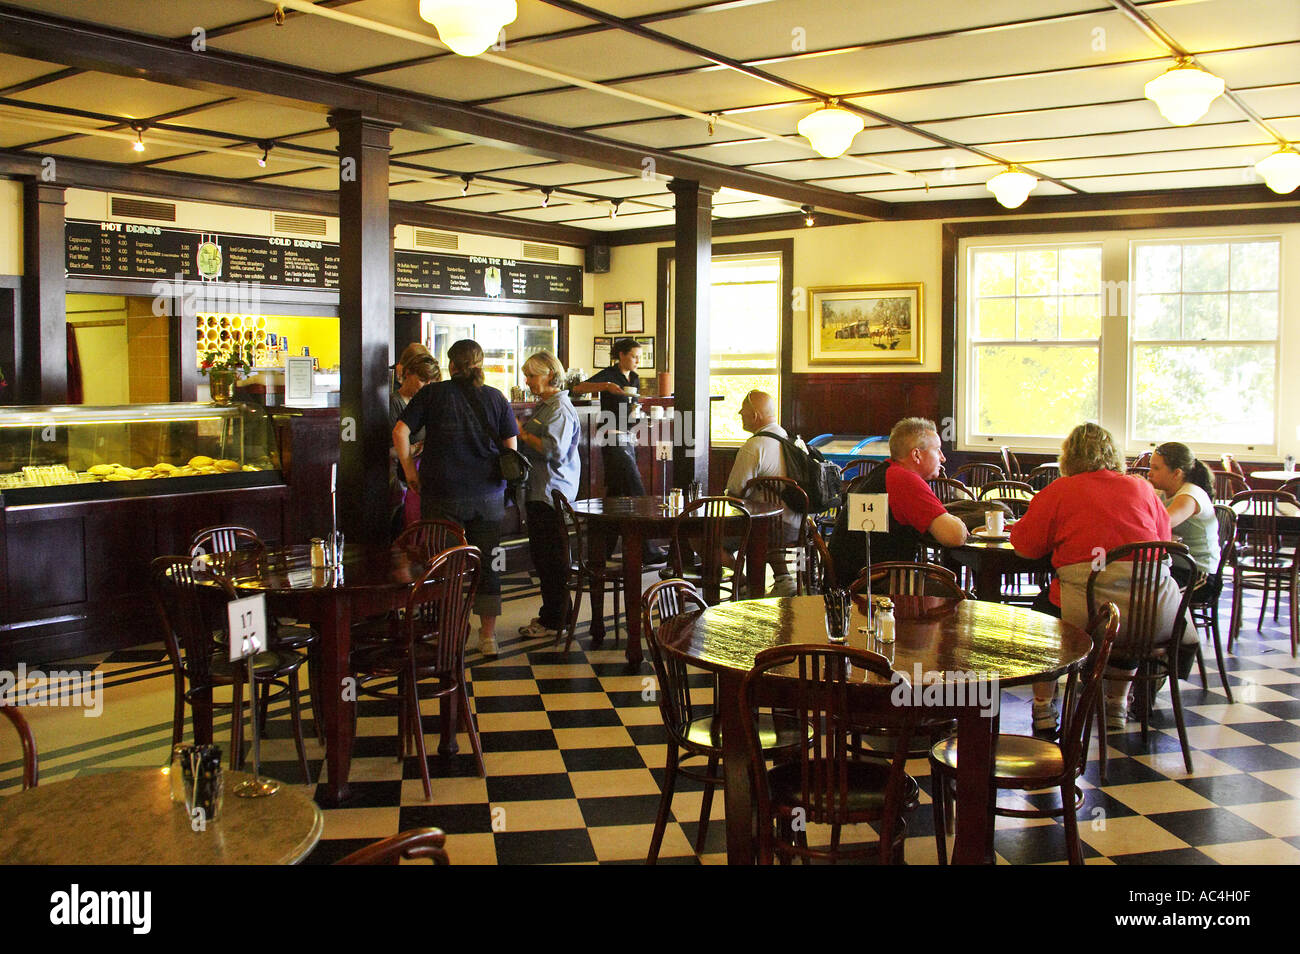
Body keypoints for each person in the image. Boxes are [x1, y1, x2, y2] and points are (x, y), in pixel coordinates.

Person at [1010, 422, 1186, 737]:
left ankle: (1042, 706)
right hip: (1149, 616)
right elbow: (1163, 538)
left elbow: (1025, 546)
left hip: (1086, 617)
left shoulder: (1060, 491)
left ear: (1068, 456)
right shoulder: (1142, 488)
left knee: (1038, 620)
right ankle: (1117, 703)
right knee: (1130, 606)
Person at [393, 339, 518, 658]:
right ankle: (487, 636)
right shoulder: (496, 398)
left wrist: (409, 471)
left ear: (450, 365)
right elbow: (511, 450)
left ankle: (449, 631)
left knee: (444, 566)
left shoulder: (433, 394)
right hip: (487, 497)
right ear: (481, 365)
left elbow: (400, 432)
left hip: (442, 496)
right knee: (488, 564)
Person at [828, 417, 968, 587]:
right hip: (871, 589)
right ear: (916, 454)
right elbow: (954, 537)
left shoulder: (886, 473)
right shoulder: (903, 480)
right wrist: (959, 522)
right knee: (954, 594)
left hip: (848, 583)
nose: (943, 458)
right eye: (937, 450)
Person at [570, 337, 667, 563]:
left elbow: (632, 404)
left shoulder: (634, 378)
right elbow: (577, 387)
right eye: (634, 356)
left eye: (639, 357)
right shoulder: (609, 375)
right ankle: (646, 549)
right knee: (636, 491)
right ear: (621, 355)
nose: (637, 361)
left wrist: (636, 410)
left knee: (616, 497)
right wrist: (605, 387)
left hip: (628, 436)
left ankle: (601, 552)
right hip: (612, 438)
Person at [515, 352, 581, 642]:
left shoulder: (560, 409)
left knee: (551, 560)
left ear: (550, 376)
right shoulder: (547, 406)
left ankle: (556, 620)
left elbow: (554, 451)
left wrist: (521, 434)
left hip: (551, 493)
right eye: (527, 376)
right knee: (544, 559)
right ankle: (552, 615)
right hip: (540, 491)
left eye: (531, 375)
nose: (527, 381)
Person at [725, 389, 802, 595]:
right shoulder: (794, 441)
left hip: (767, 530)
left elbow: (735, 492)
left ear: (755, 415)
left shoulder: (754, 446)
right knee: (768, 522)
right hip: (801, 526)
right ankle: (784, 578)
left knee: (702, 538)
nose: (739, 413)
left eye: (743, 410)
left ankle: (743, 583)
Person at [1147, 441, 1219, 587]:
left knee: (1148, 597)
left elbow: (1162, 524)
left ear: (1176, 473)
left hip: (1198, 574)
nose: (1149, 473)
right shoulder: (1161, 492)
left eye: (1156, 468)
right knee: (1134, 587)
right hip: (1173, 568)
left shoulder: (1190, 495)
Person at [388, 353, 440, 535]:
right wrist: (417, 447)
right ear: (408, 374)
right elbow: (386, 449)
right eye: (422, 380)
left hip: (420, 474)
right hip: (398, 478)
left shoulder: (427, 403)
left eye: (430, 383)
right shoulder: (394, 402)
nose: (426, 386)